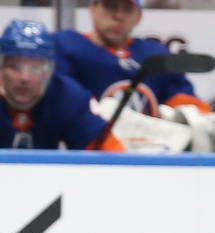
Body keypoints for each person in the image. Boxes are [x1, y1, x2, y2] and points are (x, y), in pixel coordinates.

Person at [52, 0, 215, 151]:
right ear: (93, 9)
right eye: (111, 6)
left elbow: (187, 102)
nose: (119, 16)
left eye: (127, 9)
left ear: (138, 16)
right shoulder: (68, 47)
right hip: (92, 153)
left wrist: (184, 117)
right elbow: (63, 101)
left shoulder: (154, 54)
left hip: (149, 153)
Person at [0, 20, 124, 151]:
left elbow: (109, 154)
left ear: (49, 72)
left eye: (35, 68)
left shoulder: (67, 97)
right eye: (15, 67)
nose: (24, 78)